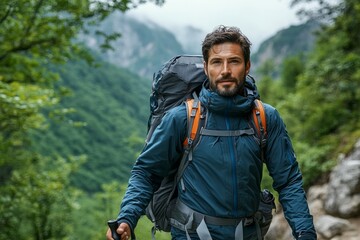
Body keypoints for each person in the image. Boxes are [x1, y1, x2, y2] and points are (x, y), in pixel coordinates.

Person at [106, 25, 317, 240]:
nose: (225, 70)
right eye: (217, 62)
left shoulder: (264, 118)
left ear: (247, 66)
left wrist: (305, 232)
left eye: (234, 61)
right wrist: (127, 218)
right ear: (206, 68)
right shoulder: (182, 118)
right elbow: (147, 172)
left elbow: (288, 181)